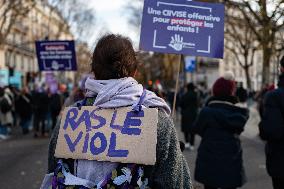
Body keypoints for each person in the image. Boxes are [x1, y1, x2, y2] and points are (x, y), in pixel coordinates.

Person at [43, 34, 191, 189]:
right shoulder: (157, 120)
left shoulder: (70, 117)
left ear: (94, 71)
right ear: (134, 72)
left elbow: (54, 174)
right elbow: (176, 183)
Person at [192, 74, 249, 189]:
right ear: (231, 92)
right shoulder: (238, 113)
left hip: (209, 158)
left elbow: (197, 129)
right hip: (231, 157)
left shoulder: (207, 111)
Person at [258, 56, 284, 189]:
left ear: (281, 69)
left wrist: (261, 125)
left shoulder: (274, 96)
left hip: (280, 159)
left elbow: (270, 130)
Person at [180, 83, 199, 150]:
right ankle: (192, 144)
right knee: (192, 129)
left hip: (185, 114)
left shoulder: (184, 95)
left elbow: (181, 104)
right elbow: (197, 104)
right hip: (193, 114)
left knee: (186, 129)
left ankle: (187, 142)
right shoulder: (195, 95)